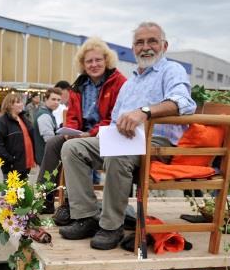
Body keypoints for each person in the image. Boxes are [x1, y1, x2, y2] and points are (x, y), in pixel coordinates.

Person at [59, 22, 196, 250]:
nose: (146, 47)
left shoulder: (171, 70)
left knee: (118, 152)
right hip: (125, 140)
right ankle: (86, 216)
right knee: (72, 148)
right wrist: (94, 135)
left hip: (155, 143)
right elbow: (114, 121)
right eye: (139, 42)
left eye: (152, 41)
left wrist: (145, 111)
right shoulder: (130, 83)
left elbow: (184, 102)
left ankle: (112, 226)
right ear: (133, 48)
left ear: (164, 45)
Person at [36, 38, 127, 190]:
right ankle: (44, 198)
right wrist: (69, 131)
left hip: (106, 136)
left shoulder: (119, 82)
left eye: (98, 60)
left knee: (74, 147)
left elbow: (114, 118)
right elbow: (71, 116)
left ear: (106, 60)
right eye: (89, 61)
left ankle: (76, 201)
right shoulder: (79, 84)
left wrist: (89, 134)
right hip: (79, 135)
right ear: (83, 64)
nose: (94, 64)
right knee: (53, 143)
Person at [0, 93, 35, 181]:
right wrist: (9, 159)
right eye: (18, 102)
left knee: (22, 191)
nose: (22, 104)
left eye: (21, 102)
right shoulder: (2, 121)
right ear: (10, 105)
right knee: (9, 191)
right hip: (12, 165)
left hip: (25, 163)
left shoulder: (23, 119)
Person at [33, 87, 63, 165]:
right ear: (46, 99)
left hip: (47, 158)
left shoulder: (48, 113)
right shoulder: (44, 115)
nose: (56, 102)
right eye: (53, 99)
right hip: (46, 159)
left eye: (58, 100)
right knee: (47, 178)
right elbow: (50, 140)